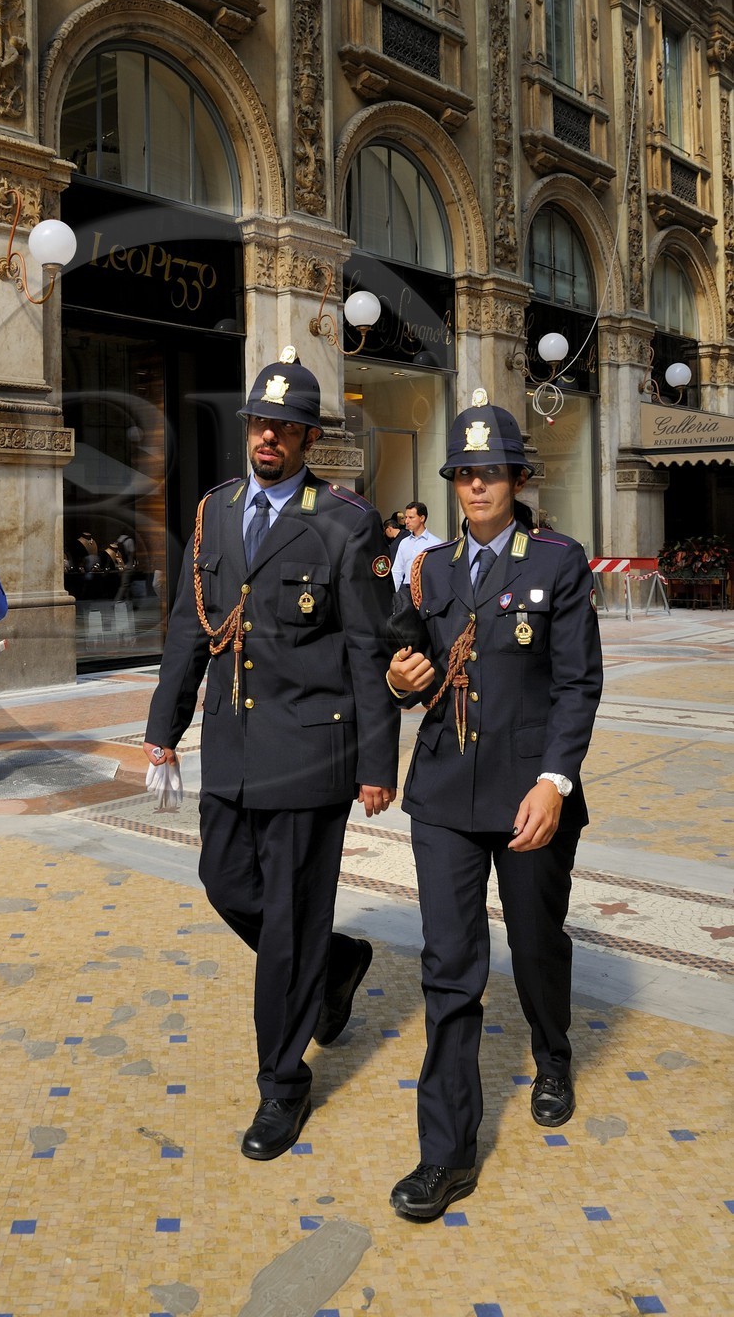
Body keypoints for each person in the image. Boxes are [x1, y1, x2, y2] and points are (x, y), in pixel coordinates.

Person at [143, 351, 400, 1162]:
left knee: (286, 922)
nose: (268, 437)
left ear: (307, 439)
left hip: (311, 747)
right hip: (231, 742)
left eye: (284, 429)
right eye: (259, 422)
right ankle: (337, 964)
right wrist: (164, 725)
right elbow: (192, 624)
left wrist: (376, 762)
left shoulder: (346, 521)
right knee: (225, 882)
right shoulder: (216, 511)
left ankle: (282, 1084)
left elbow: (368, 648)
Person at [384, 389, 602, 1221]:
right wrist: (407, 675)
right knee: (449, 967)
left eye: (491, 473)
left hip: (527, 795)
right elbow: (407, 650)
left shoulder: (557, 560)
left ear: (516, 477)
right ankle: (447, 1152)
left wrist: (556, 781)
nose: (477, 486)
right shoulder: (431, 567)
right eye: (464, 474)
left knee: (537, 941)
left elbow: (579, 683)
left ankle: (553, 1051)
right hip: (442, 792)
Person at [391, 500, 443, 591]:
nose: (407, 521)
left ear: (422, 518)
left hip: (427, 591)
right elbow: (397, 571)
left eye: (411, 517)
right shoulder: (404, 543)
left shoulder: (436, 543)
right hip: (406, 591)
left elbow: (439, 573)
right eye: (406, 517)